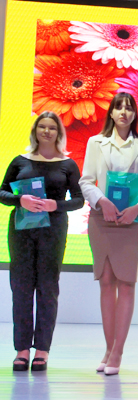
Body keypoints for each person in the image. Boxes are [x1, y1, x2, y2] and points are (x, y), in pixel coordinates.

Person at [79, 93, 138, 376]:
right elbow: (86, 181)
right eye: (119, 107)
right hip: (103, 218)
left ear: (135, 114)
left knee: (126, 283)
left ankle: (118, 352)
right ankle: (108, 348)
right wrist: (102, 201)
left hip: (132, 221)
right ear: (111, 113)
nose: (124, 112)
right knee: (106, 282)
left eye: (129, 108)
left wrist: (137, 208)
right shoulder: (95, 142)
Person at [0, 112, 83, 372]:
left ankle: (42, 350)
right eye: (42, 127)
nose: (46, 131)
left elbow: (79, 200)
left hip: (53, 230)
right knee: (21, 287)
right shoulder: (20, 161)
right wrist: (20, 200)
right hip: (22, 230)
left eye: (52, 128)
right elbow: (2, 192)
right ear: (35, 130)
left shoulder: (67, 164)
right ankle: (22, 349)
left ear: (59, 133)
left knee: (48, 288)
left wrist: (55, 205)